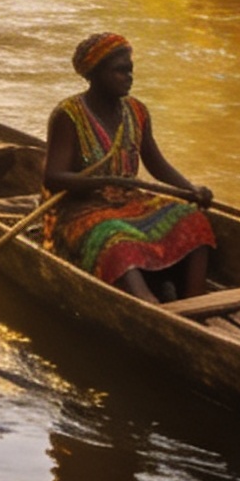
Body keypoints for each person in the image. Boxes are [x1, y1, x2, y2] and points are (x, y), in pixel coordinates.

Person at [43, 33, 215, 305]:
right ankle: (148, 304)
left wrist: (190, 189)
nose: (129, 77)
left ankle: (196, 301)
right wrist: (100, 182)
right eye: (120, 71)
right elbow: (53, 178)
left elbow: (156, 163)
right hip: (80, 208)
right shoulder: (68, 115)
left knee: (193, 220)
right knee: (115, 238)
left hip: (129, 201)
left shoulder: (137, 111)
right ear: (95, 74)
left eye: (130, 70)